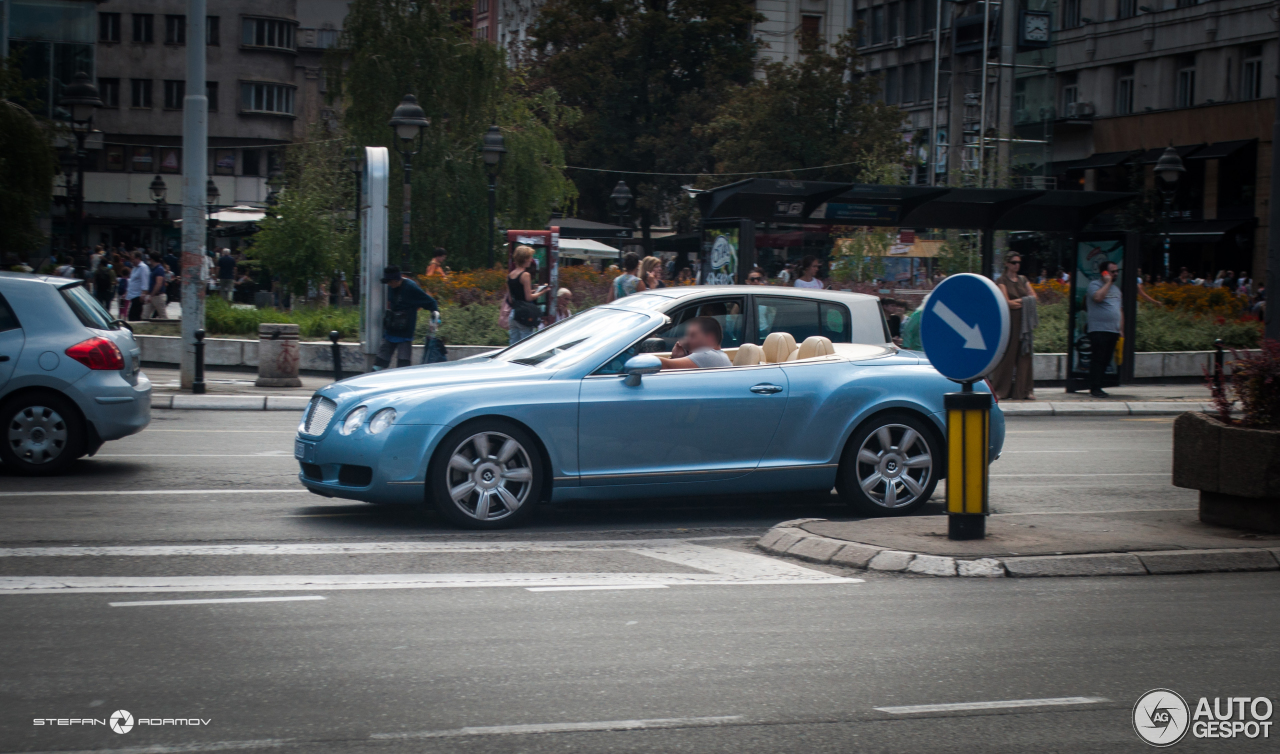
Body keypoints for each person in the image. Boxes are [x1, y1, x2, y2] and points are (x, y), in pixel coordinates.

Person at [988, 254, 1038, 400]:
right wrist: (1025, 301)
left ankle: (1025, 390)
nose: (1017, 265)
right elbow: (1007, 303)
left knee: (1025, 354)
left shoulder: (1023, 279)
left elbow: (1034, 298)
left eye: (1018, 262)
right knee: (1008, 356)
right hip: (1011, 322)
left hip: (1024, 322)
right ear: (1007, 264)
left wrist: (1020, 302)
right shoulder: (1002, 281)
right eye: (1013, 262)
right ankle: (1001, 389)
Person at [373, 265, 438, 370]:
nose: (388, 284)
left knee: (403, 364)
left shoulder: (410, 287)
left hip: (405, 331)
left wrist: (435, 317)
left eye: (390, 282)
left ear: (396, 280)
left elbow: (430, 302)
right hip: (391, 329)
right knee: (380, 361)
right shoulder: (391, 287)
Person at [1086, 260, 1123, 398]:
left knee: (1106, 360)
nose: (1116, 274)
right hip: (1098, 329)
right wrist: (1108, 282)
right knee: (1098, 358)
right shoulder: (1094, 285)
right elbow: (1098, 298)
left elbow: (1120, 310)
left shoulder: (1117, 290)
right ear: (1105, 273)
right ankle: (1094, 387)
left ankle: (1100, 385)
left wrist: (1121, 329)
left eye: (1117, 271)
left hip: (1113, 330)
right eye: (1112, 271)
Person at [507, 245, 549, 345]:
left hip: (513, 314)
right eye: (530, 257)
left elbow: (511, 298)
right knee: (525, 345)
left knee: (512, 346)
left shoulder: (510, 275)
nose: (531, 260)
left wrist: (533, 290)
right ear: (525, 259)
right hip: (524, 315)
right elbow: (528, 297)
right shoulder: (525, 275)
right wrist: (542, 292)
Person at [658, 316, 731, 370]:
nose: (687, 340)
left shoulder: (707, 355)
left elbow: (667, 366)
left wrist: (647, 358)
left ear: (710, 337)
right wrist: (676, 356)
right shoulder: (718, 356)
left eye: (693, 335)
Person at [124, 252, 150, 321]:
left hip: (138, 296)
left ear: (138, 258)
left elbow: (145, 281)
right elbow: (132, 281)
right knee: (132, 316)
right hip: (132, 295)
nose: (131, 261)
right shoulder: (134, 268)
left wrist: (143, 293)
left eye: (133, 259)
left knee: (133, 316)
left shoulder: (143, 267)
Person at [142, 254, 168, 319]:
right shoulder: (153, 269)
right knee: (145, 316)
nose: (149, 261)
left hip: (158, 296)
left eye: (149, 259)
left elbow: (158, 283)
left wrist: (151, 295)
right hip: (152, 296)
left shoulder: (159, 269)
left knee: (163, 316)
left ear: (152, 259)